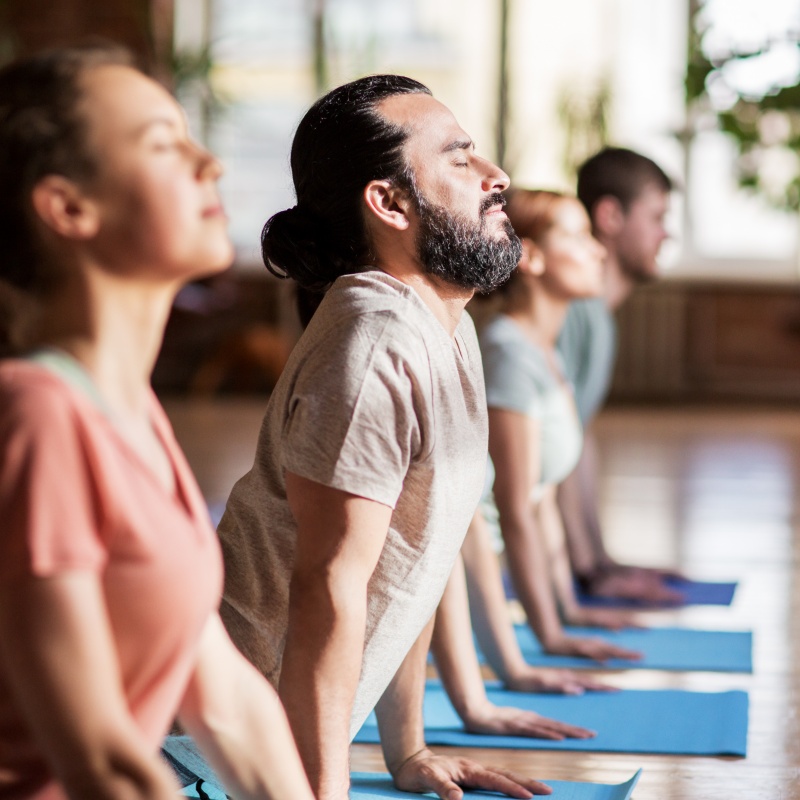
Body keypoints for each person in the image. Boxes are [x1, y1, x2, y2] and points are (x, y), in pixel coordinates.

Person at [217, 75, 552, 800]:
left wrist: (407, 749)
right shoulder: (373, 348)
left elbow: (413, 559)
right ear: (390, 202)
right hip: (201, 757)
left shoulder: (445, 324)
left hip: (267, 749)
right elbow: (328, 589)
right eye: (460, 161)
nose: (497, 178)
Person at [0, 45, 314, 800]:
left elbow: (228, 702)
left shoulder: (130, 407)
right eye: (163, 146)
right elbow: (101, 760)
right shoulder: (36, 414)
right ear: (69, 208)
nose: (211, 163)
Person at [466, 189, 643, 664]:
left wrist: (569, 610)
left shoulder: (546, 347)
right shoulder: (509, 352)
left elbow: (542, 501)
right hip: (459, 573)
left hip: (486, 569)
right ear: (534, 258)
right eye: (578, 236)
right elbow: (513, 508)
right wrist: (548, 638)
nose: (599, 249)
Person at [556, 147, 681, 603]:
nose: (666, 234)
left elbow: (576, 440)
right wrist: (588, 575)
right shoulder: (574, 312)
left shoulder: (596, 315)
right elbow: (548, 453)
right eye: (657, 217)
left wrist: (601, 561)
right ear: (610, 215)